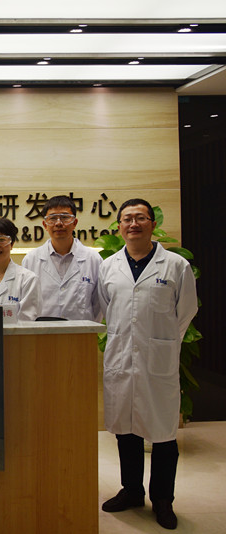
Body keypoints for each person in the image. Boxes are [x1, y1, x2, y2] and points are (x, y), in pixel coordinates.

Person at [98, 199, 197, 530]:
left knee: (163, 435)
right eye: (127, 218)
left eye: (140, 218)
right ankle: (131, 491)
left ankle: (163, 499)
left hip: (158, 361)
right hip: (121, 359)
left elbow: (186, 311)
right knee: (125, 431)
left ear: (153, 224)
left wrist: (162, 342)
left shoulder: (175, 265)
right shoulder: (108, 266)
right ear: (119, 227)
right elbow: (105, 308)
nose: (133, 223)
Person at [22, 195, 102, 320]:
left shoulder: (93, 259)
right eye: (52, 218)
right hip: (42, 331)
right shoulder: (31, 260)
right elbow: (27, 304)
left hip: (81, 331)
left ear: (74, 223)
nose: (59, 223)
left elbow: (98, 306)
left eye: (65, 218)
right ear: (45, 225)